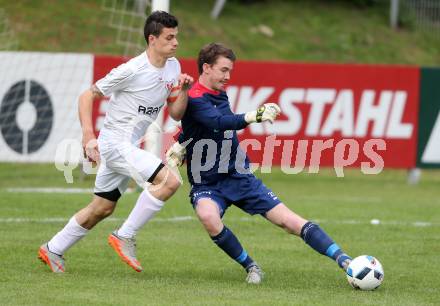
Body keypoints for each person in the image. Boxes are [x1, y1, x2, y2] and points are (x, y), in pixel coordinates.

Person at [166, 43, 351, 284]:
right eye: (223, 70)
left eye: (230, 71)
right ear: (207, 68)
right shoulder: (196, 96)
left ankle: (344, 259)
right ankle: (251, 265)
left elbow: (205, 124)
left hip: (238, 175)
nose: (228, 76)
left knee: (289, 221)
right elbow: (218, 121)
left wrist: (182, 141)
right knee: (208, 216)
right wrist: (254, 116)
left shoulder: (217, 92)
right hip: (207, 181)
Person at [38, 11, 193, 273]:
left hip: (128, 145)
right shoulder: (132, 69)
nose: (175, 42)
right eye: (169, 37)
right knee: (170, 181)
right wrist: (88, 136)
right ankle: (124, 236)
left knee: (102, 208)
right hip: (114, 143)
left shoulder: (173, 66)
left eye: (176, 37)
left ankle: (53, 249)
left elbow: (176, 112)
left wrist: (184, 91)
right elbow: (87, 95)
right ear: (152, 39)